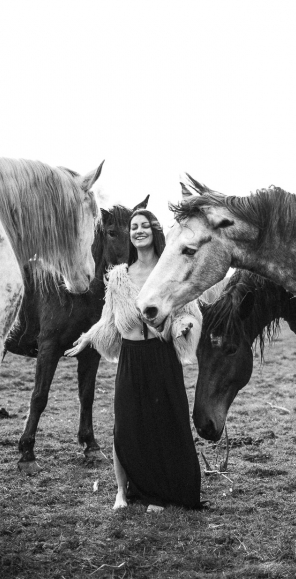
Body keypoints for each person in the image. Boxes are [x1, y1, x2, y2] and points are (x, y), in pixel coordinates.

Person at [65, 208, 203, 511]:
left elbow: (185, 312)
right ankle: (122, 492)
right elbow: (108, 319)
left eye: (144, 226)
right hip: (131, 357)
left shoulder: (169, 272)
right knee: (124, 426)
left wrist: (184, 327)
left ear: (154, 232)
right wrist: (88, 337)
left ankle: (161, 493)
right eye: (134, 227)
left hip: (161, 355)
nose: (138, 231)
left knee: (165, 425)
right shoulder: (118, 277)